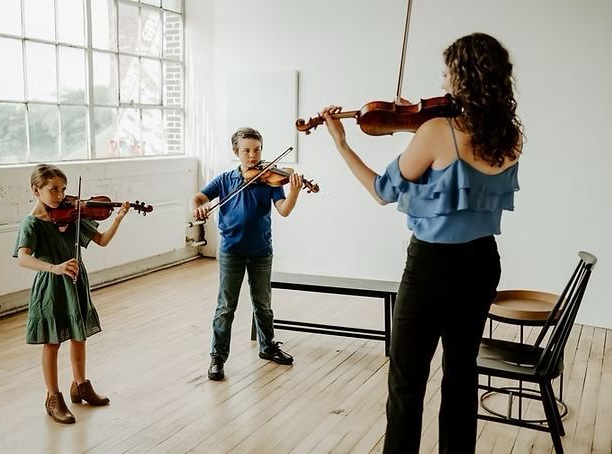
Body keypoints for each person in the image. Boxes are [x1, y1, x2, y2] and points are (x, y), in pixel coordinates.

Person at [321, 33, 523, 454]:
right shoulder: (510, 138)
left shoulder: (437, 130)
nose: (444, 81)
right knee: (461, 374)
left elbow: (381, 190)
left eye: (449, 72)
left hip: (432, 268)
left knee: (407, 381)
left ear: (462, 76)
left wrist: (342, 143)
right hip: (483, 262)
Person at [13, 163, 131, 424]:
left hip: (76, 281)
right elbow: (23, 258)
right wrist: (54, 267)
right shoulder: (32, 223)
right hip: (51, 287)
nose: (60, 196)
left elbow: (102, 240)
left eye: (63, 189)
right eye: (53, 190)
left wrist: (118, 218)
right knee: (52, 342)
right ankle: (53, 397)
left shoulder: (73, 215)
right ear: (36, 190)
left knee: (79, 336)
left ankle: (80, 386)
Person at [192, 127, 304, 381]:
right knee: (225, 306)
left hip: (261, 251)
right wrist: (197, 208)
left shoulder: (270, 180)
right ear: (236, 152)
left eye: (257, 150)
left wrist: (295, 191)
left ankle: (268, 346)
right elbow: (198, 198)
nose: (253, 156)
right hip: (231, 250)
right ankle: (217, 357)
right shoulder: (224, 180)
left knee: (263, 304)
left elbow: (284, 210)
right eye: (247, 151)